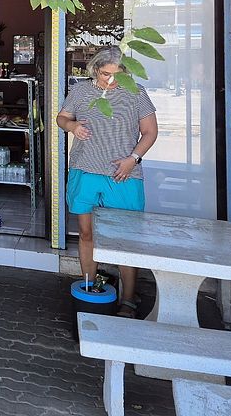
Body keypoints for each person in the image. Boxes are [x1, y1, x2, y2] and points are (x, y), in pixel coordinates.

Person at [56, 45, 158, 318]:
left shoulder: (136, 93)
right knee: (86, 233)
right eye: (105, 74)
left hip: (123, 175)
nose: (111, 80)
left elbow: (150, 132)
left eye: (117, 74)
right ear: (94, 70)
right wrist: (72, 126)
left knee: (126, 239)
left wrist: (133, 159)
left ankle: (128, 299)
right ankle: (89, 288)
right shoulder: (81, 91)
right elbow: (61, 118)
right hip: (85, 171)